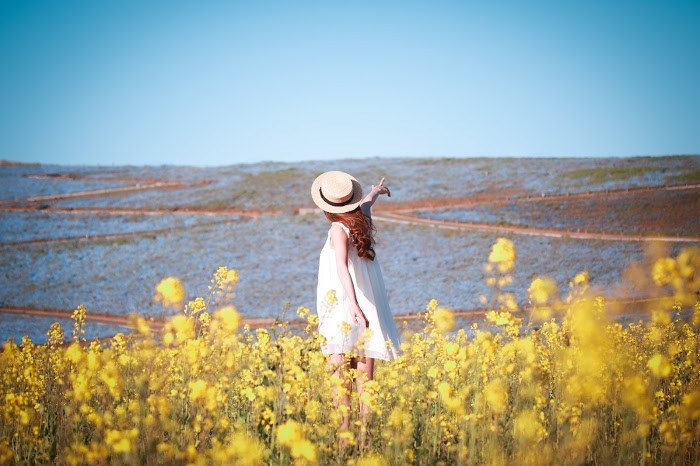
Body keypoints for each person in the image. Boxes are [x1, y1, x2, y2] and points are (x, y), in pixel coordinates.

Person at [311, 170, 401, 438]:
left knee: (341, 380)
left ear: (327, 208)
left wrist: (351, 304)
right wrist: (375, 192)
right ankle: (367, 442)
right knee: (365, 378)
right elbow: (367, 203)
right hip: (368, 306)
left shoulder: (337, 229)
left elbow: (341, 267)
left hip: (344, 307)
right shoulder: (362, 220)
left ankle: (345, 443)